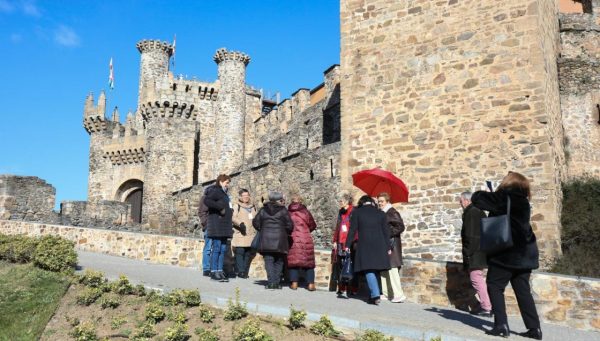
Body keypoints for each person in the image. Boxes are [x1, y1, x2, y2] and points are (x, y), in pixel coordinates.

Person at [471, 172, 542, 340]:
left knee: (495, 285)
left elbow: (477, 199)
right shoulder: (524, 201)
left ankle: (501, 325)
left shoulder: (504, 196)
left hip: (506, 253)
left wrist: (485, 191)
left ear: (508, 182)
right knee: (523, 291)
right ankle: (534, 329)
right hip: (526, 253)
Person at [344, 195, 391, 305]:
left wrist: (347, 245)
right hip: (380, 245)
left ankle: (375, 295)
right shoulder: (381, 214)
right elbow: (386, 232)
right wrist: (388, 247)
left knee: (369, 269)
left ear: (362, 202)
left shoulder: (357, 213)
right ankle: (373, 294)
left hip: (365, 245)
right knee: (376, 270)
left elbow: (352, 230)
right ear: (372, 202)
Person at [459, 191, 492, 317]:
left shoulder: (471, 212)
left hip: (475, 252)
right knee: (477, 278)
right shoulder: (476, 211)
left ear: (467, 201)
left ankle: (486, 307)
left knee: (476, 278)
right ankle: (485, 305)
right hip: (479, 250)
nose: (460, 203)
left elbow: (471, 235)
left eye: (461, 201)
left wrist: (468, 252)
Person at [252, 191, 293, 290]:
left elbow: (255, 222)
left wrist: (262, 229)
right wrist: (285, 232)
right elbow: (290, 225)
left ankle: (271, 283)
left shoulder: (263, 210)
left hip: (266, 239)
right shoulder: (283, 210)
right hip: (280, 240)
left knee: (269, 261)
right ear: (279, 200)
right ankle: (276, 283)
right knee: (279, 261)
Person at [377, 192, 407, 303]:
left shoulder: (392, 212)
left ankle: (399, 294)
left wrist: (387, 233)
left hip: (392, 244)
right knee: (384, 269)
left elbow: (400, 226)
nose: (380, 203)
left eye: (382, 201)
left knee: (393, 269)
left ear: (387, 201)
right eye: (379, 201)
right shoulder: (382, 213)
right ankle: (386, 293)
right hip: (384, 245)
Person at [204, 174, 234, 282]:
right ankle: (213, 271)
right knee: (216, 248)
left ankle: (219, 270)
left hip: (224, 226)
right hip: (217, 224)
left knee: (222, 249)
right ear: (221, 182)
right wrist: (220, 208)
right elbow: (207, 201)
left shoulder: (224, 193)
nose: (228, 184)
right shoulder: (215, 191)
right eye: (226, 182)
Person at [287, 194, 317, 291]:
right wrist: (305, 231)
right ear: (301, 201)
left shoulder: (288, 213)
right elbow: (313, 225)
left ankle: (294, 283)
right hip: (305, 238)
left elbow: (286, 226)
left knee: (293, 261)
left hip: (293, 239)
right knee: (309, 262)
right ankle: (311, 284)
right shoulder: (305, 212)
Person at [332, 191, 358, 297]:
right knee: (341, 265)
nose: (340, 202)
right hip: (340, 241)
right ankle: (342, 287)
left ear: (347, 201)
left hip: (350, 241)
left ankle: (352, 287)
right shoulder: (340, 211)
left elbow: (355, 228)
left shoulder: (354, 211)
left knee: (352, 264)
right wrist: (334, 240)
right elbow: (338, 226)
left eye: (341, 201)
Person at [231, 188, 257, 279]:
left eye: (247, 195)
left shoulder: (252, 207)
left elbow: (256, 218)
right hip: (240, 233)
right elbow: (233, 217)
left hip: (250, 234)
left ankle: (244, 271)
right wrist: (240, 224)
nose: (246, 197)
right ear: (240, 197)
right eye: (244, 196)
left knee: (248, 253)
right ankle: (241, 271)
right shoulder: (236, 206)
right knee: (240, 252)